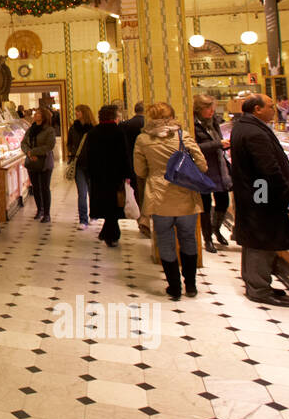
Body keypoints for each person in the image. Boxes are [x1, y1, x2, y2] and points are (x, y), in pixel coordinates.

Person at [133, 102, 209, 300]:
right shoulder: (183, 136)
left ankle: (174, 287)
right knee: (188, 239)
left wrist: (156, 171)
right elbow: (202, 165)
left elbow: (139, 171)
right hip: (186, 195)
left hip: (158, 197)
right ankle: (191, 285)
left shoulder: (142, 139)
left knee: (165, 242)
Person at [230, 94, 289, 306]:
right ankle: (259, 288)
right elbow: (267, 168)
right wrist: (283, 190)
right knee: (261, 238)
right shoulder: (253, 133)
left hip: (254, 191)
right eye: (270, 106)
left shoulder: (243, 126)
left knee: (254, 238)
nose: (273, 110)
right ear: (257, 109)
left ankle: (256, 282)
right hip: (261, 192)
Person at [79, 105, 128, 247]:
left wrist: (91, 172)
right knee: (114, 205)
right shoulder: (119, 131)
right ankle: (111, 235)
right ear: (114, 116)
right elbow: (124, 155)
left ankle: (108, 233)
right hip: (115, 175)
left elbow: (89, 155)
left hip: (99, 175)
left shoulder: (94, 132)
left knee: (105, 204)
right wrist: (127, 174)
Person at [192, 93, 231, 252]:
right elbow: (194, 147)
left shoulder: (214, 122)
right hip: (203, 169)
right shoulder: (194, 125)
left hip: (219, 167)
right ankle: (207, 238)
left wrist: (224, 145)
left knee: (223, 201)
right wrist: (217, 144)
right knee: (205, 205)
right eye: (208, 108)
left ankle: (217, 229)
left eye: (212, 108)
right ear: (199, 109)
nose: (211, 111)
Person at [21, 107, 56, 222]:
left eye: (39, 113)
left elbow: (49, 146)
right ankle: (39, 210)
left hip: (45, 162)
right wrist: (29, 153)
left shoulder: (49, 130)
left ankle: (47, 213)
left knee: (45, 188)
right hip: (32, 161)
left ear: (44, 116)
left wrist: (34, 152)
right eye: (36, 113)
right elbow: (24, 143)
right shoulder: (31, 129)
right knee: (35, 187)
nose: (36, 115)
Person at [120, 101, 148, 236]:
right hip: (147, 164)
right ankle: (146, 221)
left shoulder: (125, 125)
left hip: (130, 164)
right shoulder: (147, 125)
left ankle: (141, 219)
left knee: (137, 191)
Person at [66, 105, 95, 228]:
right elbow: (69, 143)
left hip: (92, 164)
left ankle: (93, 213)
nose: (76, 113)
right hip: (78, 165)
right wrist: (72, 153)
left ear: (84, 113)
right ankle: (83, 219)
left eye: (78, 111)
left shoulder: (93, 128)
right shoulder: (73, 128)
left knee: (92, 192)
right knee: (82, 193)